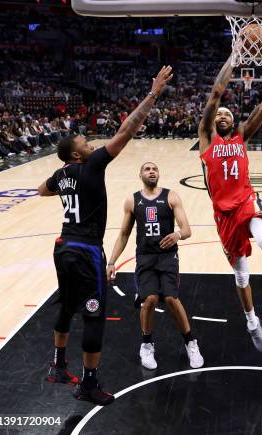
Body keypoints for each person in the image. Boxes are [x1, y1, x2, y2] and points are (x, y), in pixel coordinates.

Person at [37, 66, 173, 405]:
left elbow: (42, 190)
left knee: (67, 305)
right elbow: (128, 130)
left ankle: (57, 365)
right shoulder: (92, 164)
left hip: (63, 246)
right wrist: (153, 94)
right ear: (76, 154)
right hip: (85, 251)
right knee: (94, 314)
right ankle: (89, 384)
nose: (89, 139)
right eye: (84, 141)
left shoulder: (62, 172)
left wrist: (65, 187)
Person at [197, 53, 262, 353]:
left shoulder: (241, 137)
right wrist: (233, 57)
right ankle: (252, 321)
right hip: (223, 214)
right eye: (219, 115)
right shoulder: (206, 138)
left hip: (247, 201)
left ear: (234, 120)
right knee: (241, 274)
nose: (223, 116)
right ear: (213, 121)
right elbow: (215, 93)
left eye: (227, 113)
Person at [106, 162, 204, 370]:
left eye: (155, 169)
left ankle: (190, 343)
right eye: (147, 169)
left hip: (168, 257)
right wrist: (112, 261)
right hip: (145, 257)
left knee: (170, 298)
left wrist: (177, 234)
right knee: (149, 299)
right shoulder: (132, 200)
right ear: (140, 174)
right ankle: (147, 345)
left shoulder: (171, 196)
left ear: (159, 174)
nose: (152, 171)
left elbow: (186, 229)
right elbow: (124, 234)